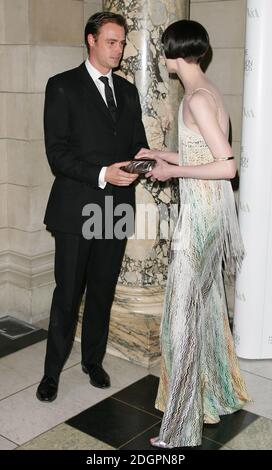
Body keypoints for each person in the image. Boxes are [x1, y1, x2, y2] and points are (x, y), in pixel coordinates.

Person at [137, 19, 250, 448]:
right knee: (203, 312)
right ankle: (215, 395)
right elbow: (201, 150)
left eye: (164, 49)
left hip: (201, 221)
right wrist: (159, 154)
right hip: (206, 216)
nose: (161, 57)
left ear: (174, 54)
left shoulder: (197, 99)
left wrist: (172, 169)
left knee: (179, 323)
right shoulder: (207, 91)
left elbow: (227, 165)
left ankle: (182, 429)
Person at [36, 12, 148, 402]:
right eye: (112, 42)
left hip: (116, 208)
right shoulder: (62, 86)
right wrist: (103, 173)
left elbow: (136, 142)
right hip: (76, 208)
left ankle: (92, 362)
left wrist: (151, 160)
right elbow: (58, 155)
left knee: (102, 290)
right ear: (91, 40)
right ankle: (51, 373)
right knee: (68, 293)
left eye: (121, 42)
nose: (119, 49)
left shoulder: (129, 91)